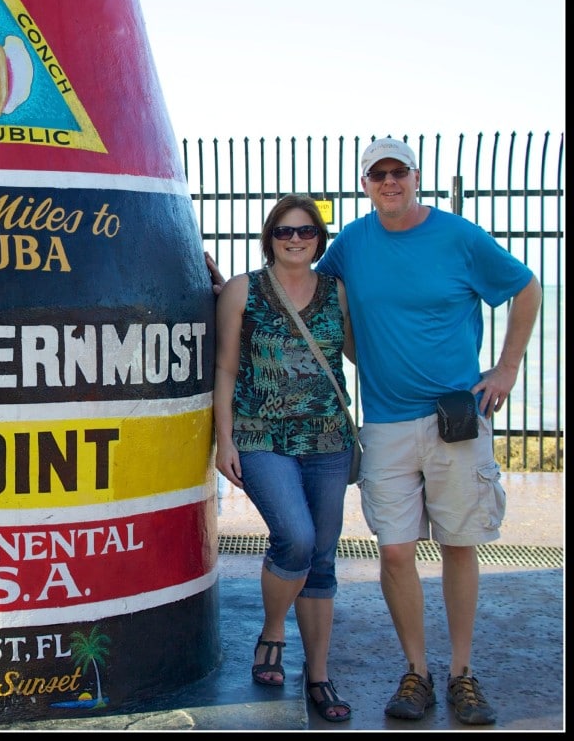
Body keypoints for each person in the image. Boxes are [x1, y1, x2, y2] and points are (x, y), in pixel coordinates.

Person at [208, 137, 542, 726]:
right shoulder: (354, 244)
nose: (389, 181)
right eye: (377, 174)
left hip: (452, 417)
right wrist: (215, 285)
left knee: (458, 546)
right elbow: (286, 293)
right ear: (365, 183)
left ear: (416, 176)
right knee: (389, 551)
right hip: (384, 422)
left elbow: (526, 287)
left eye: (398, 171)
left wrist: (509, 365)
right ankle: (415, 672)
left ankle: (461, 673)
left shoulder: (458, 236)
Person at [213, 194, 356, 723]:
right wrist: (223, 440)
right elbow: (225, 369)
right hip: (260, 436)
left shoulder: (336, 292)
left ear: (320, 239)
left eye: (306, 232)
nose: (295, 240)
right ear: (269, 237)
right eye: (284, 232)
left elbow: (365, 350)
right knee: (294, 537)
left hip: (328, 441)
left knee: (322, 557)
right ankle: (273, 630)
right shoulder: (242, 291)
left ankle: (318, 674)